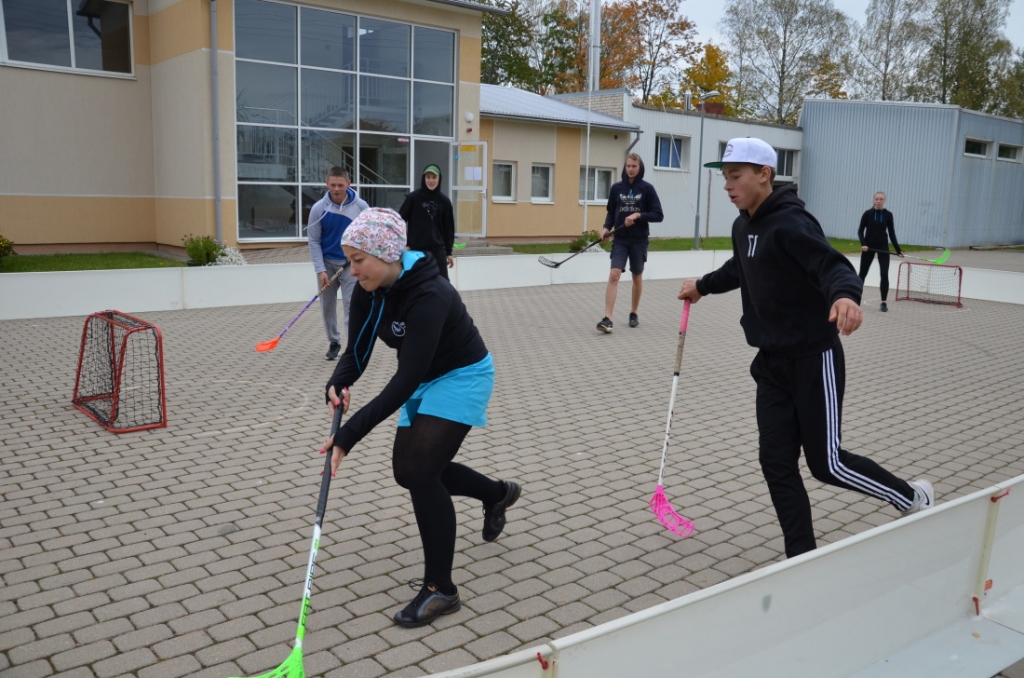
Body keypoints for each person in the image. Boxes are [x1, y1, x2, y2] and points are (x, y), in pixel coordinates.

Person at [677, 138, 934, 559]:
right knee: (775, 462)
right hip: (772, 364)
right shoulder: (744, 225)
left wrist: (846, 296)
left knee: (826, 464)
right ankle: (802, 556)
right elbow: (739, 268)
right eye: (724, 177)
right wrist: (702, 287)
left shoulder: (792, 223)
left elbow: (831, 265)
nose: (727, 185)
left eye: (736, 176)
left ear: (764, 175)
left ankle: (910, 498)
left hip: (815, 360)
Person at [320, 207, 521, 628]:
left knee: (420, 470)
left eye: (359, 261)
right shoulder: (368, 290)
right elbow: (356, 351)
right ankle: (495, 494)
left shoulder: (431, 295)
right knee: (408, 472)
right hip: (425, 377)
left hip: (462, 375)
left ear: (386, 253)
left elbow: (405, 379)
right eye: (349, 262)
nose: (352, 272)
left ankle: (441, 589)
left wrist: (350, 434)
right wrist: (337, 383)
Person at [597, 153, 663, 333]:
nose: (631, 169)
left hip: (639, 240)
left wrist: (638, 215)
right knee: (614, 274)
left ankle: (633, 312)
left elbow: (658, 215)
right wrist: (606, 227)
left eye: (634, 166)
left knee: (636, 276)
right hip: (620, 240)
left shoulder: (647, 189)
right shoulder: (616, 188)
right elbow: (611, 211)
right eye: (628, 166)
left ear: (640, 168)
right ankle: (607, 318)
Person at [308, 167, 368, 360]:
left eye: (340, 185)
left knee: (352, 306)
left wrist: (358, 257)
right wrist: (320, 270)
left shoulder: (361, 207)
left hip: (351, 265)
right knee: (327, 306)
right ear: (327, 184)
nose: (336, 189)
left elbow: (368, 235)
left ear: (348, 184)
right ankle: (334, 342)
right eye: (332, 185)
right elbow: (314, 240)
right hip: (328, 264)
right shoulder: (319, 208)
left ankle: (352, 347)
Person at [399, 164, 455, 281]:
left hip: (437, 250)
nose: (431, 181)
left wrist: (449, 252)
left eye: (434, 177)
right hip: (416, 250)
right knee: (416, 283)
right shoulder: (413, 198)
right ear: (423, 179)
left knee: (442, 284)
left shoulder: (444, 201)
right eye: (428, 177)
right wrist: (405, 243)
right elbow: (399, 221)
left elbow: (448, 228)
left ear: (439, 179)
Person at [857, 191, 904, 312]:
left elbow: (892, 233)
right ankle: (855, 299)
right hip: (869, 247)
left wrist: (898, 250)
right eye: (877, 199)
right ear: (873, 200)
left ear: (884, 200)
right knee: (862, 274)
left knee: (884, 274)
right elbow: (860, 231)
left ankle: (883, 302)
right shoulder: (867, 214)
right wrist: (864, 244)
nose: (879, 201)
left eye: (881, 199)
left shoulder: (888, 214)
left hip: (883, 247)